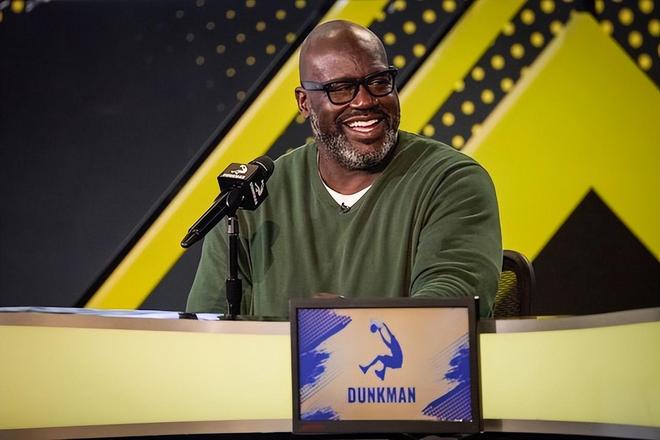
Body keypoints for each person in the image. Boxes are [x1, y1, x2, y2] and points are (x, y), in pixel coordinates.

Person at [186, 20, 501, 318]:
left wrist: (349, 326)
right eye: (340, 88)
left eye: (379, 82)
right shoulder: (251, 199)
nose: (364, 101)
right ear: (304, 102)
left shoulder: (451, 181)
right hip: (269, 362)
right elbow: (206, 326)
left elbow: (450, 309)